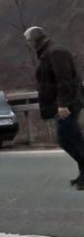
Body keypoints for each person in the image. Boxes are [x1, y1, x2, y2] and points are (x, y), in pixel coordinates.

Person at [24, 26, 84, 189]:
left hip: (67, 104)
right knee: (74, 138)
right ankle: (83, 175)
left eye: (30, 40)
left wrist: (63, 104)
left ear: (36, 39)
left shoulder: (56, 52)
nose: (29, 44)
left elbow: (64, 80)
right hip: (61, 103)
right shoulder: (47, 54)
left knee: (67, 138)